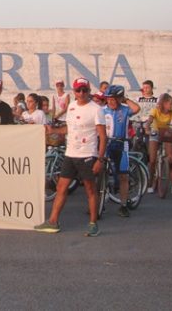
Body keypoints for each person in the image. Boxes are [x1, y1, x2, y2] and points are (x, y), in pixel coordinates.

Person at [36, 78, 106, 236]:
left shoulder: (96, 109)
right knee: (61, 187)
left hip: (87, 154)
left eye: (84, 90)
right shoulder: (72, 106)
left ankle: (93, 224)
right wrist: (53, 130)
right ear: (74, 92)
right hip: (70, 153)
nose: (81, 93)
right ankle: (53, 221)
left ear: (88, 91)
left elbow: (103, 136)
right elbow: (69, 128)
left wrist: (100, 159)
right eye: (78, 90)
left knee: (90, 189)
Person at [102, 85, 140, 217]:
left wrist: (124, 99)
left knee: (123, 176)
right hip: (106, 144)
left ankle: (123, 205)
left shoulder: (125, 110)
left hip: (121, 144)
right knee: (101, 173)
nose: (111, 102)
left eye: (113, 99)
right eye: (108, 99)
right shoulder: (102, 110)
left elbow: (136, 108)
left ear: (118, 99)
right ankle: (100, 202)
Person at [147, 93, 172, 195]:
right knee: (152, 160)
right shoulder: (155, 110)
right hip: (155, 133)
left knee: (171, 159)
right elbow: (150, 120)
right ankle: (150, 184)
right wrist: (147, 128)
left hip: (166, 133)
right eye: (169, 103)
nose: (171, 105)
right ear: (163, 103)